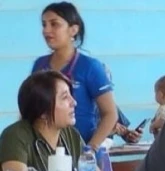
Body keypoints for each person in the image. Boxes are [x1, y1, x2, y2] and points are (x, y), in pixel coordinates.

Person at [33, 2, 118, 150]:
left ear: (73, 29)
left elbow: (110, 114)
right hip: (44, 150)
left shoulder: (90, 66)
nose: (46, 30)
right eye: (44, 24)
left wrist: (91, 149)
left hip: (81, 151)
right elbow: (29, 109)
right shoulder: (39, 65)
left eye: (54, 24)